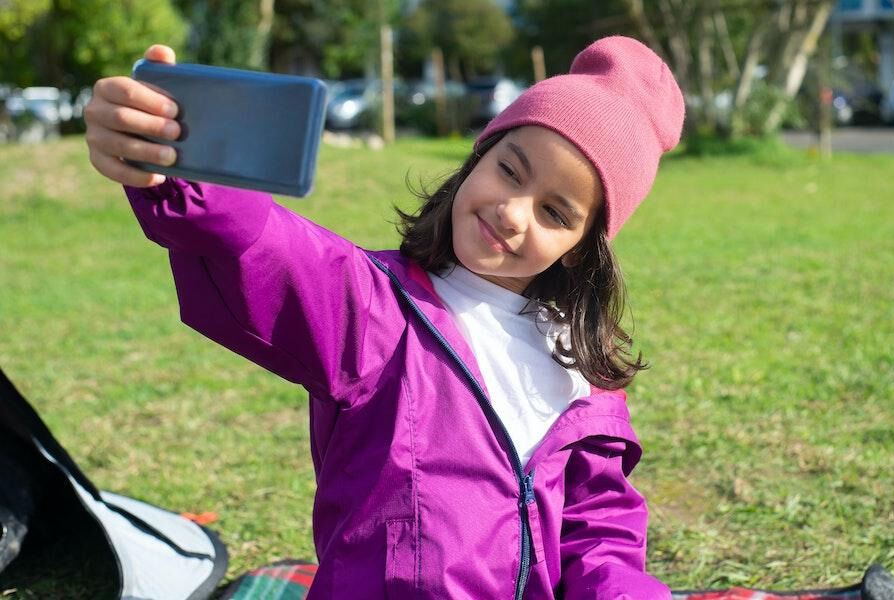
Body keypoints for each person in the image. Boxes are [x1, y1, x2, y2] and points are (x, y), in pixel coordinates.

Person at [84, 36, 684, 599]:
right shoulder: (370, 306)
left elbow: (598, 526)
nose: (511, 212)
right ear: (479, 156)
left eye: (555, 212)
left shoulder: (581, 371)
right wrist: (174, 158)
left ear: (581, 246)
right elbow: (261, 244)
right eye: (510, 169)